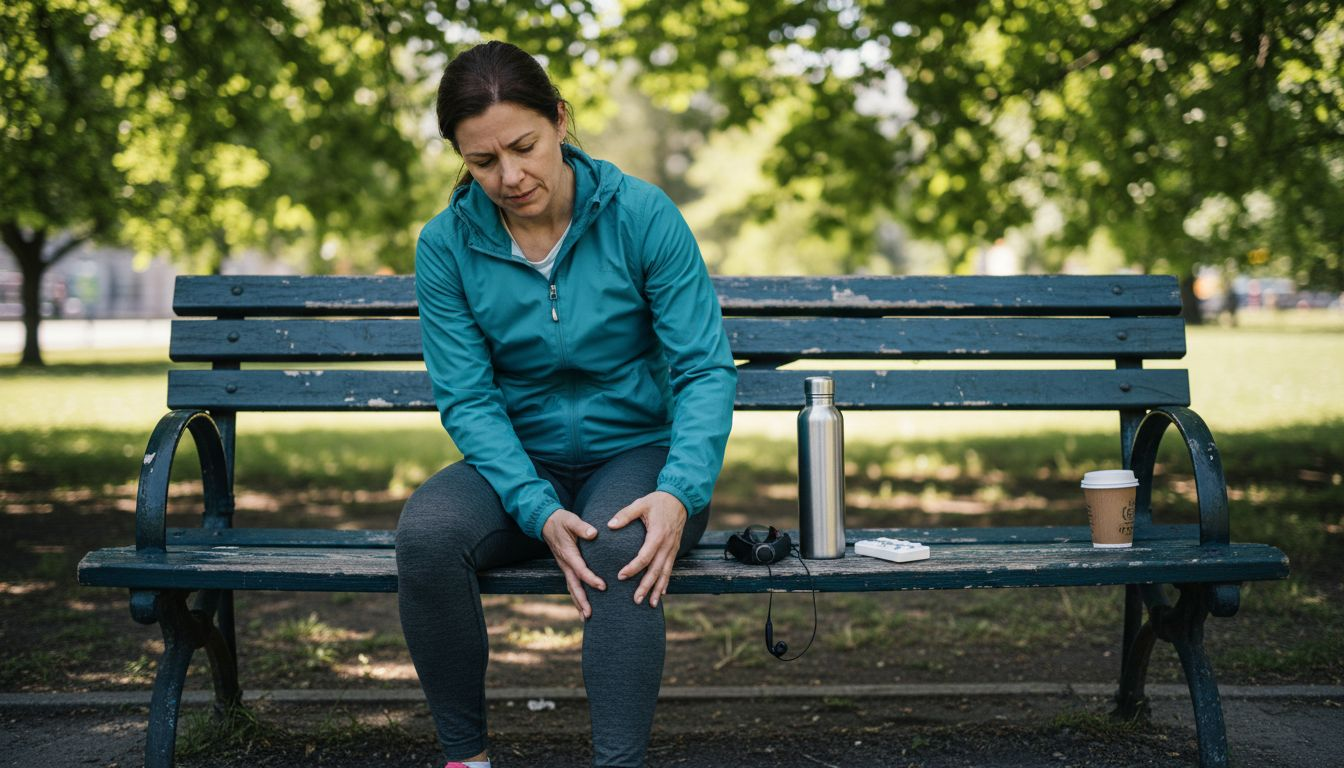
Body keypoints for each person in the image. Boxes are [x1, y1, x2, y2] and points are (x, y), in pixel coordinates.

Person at [396, 41, 738, 768]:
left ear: (559, 120)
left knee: (621, 548)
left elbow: (705, 369)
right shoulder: (445, 247)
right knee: (426, 535)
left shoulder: (642, 216)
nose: (510, 176)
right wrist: (534, 506)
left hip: (638, 453)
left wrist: (679, 491)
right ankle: (467, 758)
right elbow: (467, 396)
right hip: (521, 462)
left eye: (524, 147)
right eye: (482, 162)